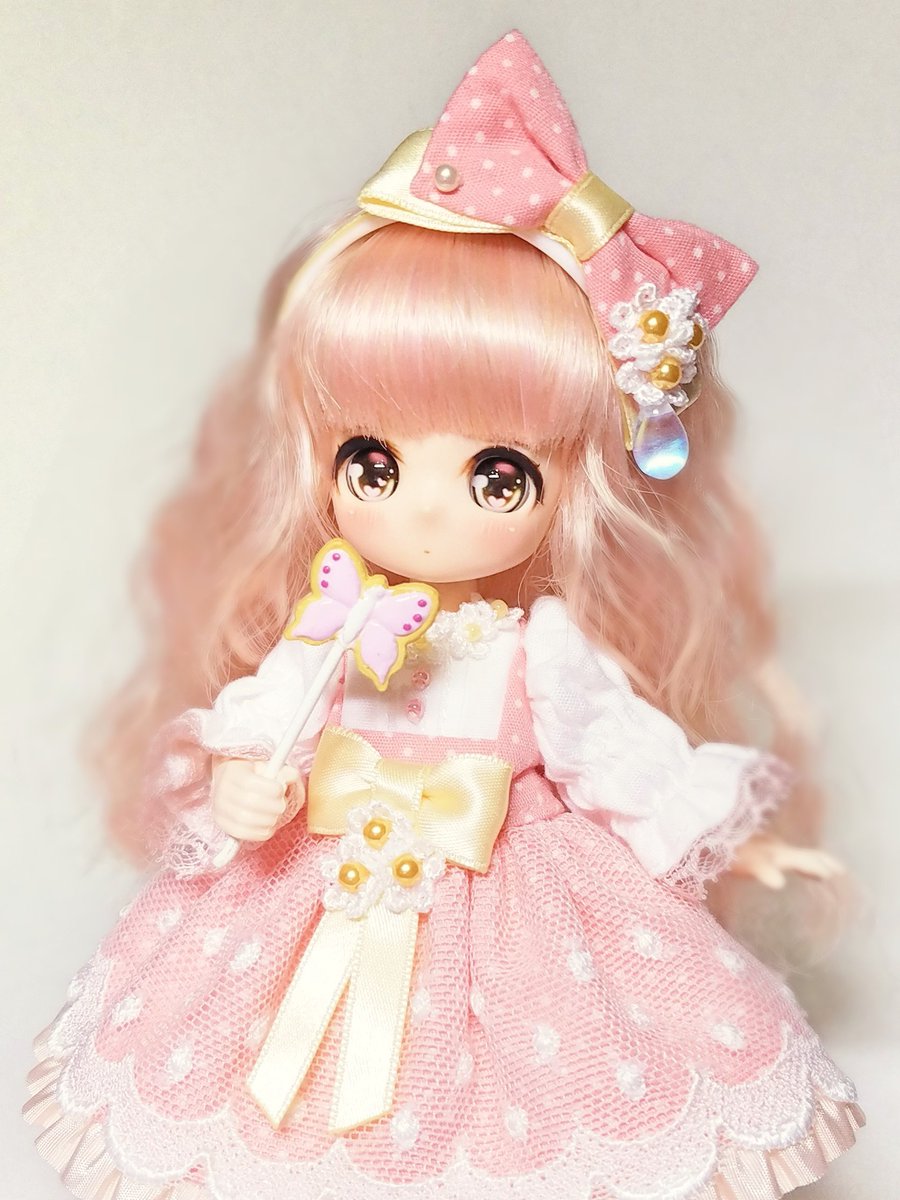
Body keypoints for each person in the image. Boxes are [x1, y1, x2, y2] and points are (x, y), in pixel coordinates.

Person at [24, 29, 861, 1200]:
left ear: (573, 485)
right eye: (372, 461)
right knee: (275, 1088)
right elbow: (260, 721)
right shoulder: (331, 622)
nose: (421, 508)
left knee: (526, 1100)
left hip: (517, 902)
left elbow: (617, 754)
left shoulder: (539, 648)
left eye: (495, 475)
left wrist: (735, 835)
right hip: (316, 882)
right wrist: (237, 786)